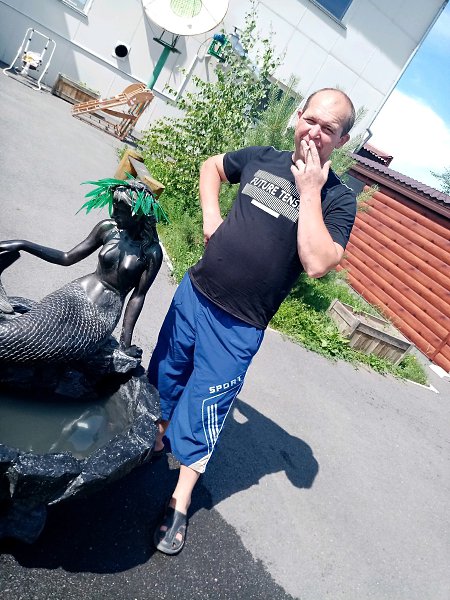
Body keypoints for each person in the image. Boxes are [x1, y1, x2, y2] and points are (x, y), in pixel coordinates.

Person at [149, 88, 357, 554]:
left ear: (341, 140)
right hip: (195, 294)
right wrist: (210, 217)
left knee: (207, 406)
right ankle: (155, 442)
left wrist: (310, 190)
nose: (315, 132)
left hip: (240, 324)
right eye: (311, 120)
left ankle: (180, 500)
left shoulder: (339, 200)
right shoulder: (263, 158)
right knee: (166, 374)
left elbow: (318, 262)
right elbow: (212, 167)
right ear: (297, 116)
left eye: (329, 128)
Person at [0, 178, 165, 363]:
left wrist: (124, 344)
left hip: (101, 316)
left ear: (137, 213)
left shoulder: (151, 252)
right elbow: (67, 257)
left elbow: (137, 297)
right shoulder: (107, 229)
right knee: (25, 329)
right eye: (114, 207)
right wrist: (24, 244)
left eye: (120, 210)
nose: (113, 213)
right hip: (76, 293)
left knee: (47, 348)